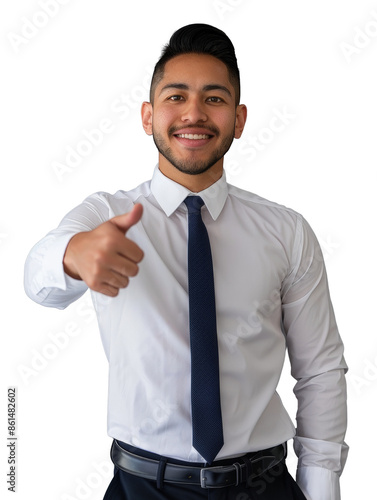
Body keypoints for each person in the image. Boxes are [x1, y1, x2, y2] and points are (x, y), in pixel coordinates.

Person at [24, 23, 348, 500]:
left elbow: (319, 368)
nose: (193, 113)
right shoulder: (107, 214)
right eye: (176, 97)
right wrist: (75, 255)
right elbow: (37, 279)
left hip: (264, 486)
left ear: (238, 120)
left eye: (214, 99)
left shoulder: (287, 231)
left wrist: (321, 488)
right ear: (147, 115)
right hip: (142, 488)